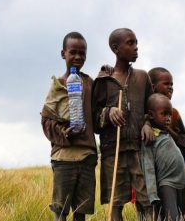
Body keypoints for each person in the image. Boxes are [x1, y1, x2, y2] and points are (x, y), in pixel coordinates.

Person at [92, 28, 154, 221]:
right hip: (113, 151)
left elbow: (151, 109)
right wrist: (108, 112)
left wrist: (147, 123)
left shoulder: (143, 77)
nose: (136, 47)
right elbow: (93, 120)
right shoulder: (103, 81)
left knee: (147, 201)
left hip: (139, 150)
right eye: (130, 43)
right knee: (115, 204)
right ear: (115, 48)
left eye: (136, 42)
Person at [41, 32, 97, 221]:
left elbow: (97, 114)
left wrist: (107, 74)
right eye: (73, 52)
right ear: (63, 53)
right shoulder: (58, 85)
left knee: (81, 211)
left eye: (82, 53)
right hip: (63, 157)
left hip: (87, 157)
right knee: (60, 210)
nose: (78, 57)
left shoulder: (89, 83)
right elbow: (46, 121)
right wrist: (65, 132)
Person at [142, 93, 185, 221]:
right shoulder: (150, 137)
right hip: (167, 184)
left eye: (169, 114)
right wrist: (152, 195)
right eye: (164, 114)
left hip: (182, 183)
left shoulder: (166, 133)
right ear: (151, 115)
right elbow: (148, 167)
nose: (168, 118)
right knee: (172, 217)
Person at [148, 67, 185, 164]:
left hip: (168, 166)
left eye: (171, 84)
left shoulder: (174, 113)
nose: (170, 87)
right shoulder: (143, 110)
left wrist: (167, 129)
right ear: (152, 86)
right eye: (166, 84)